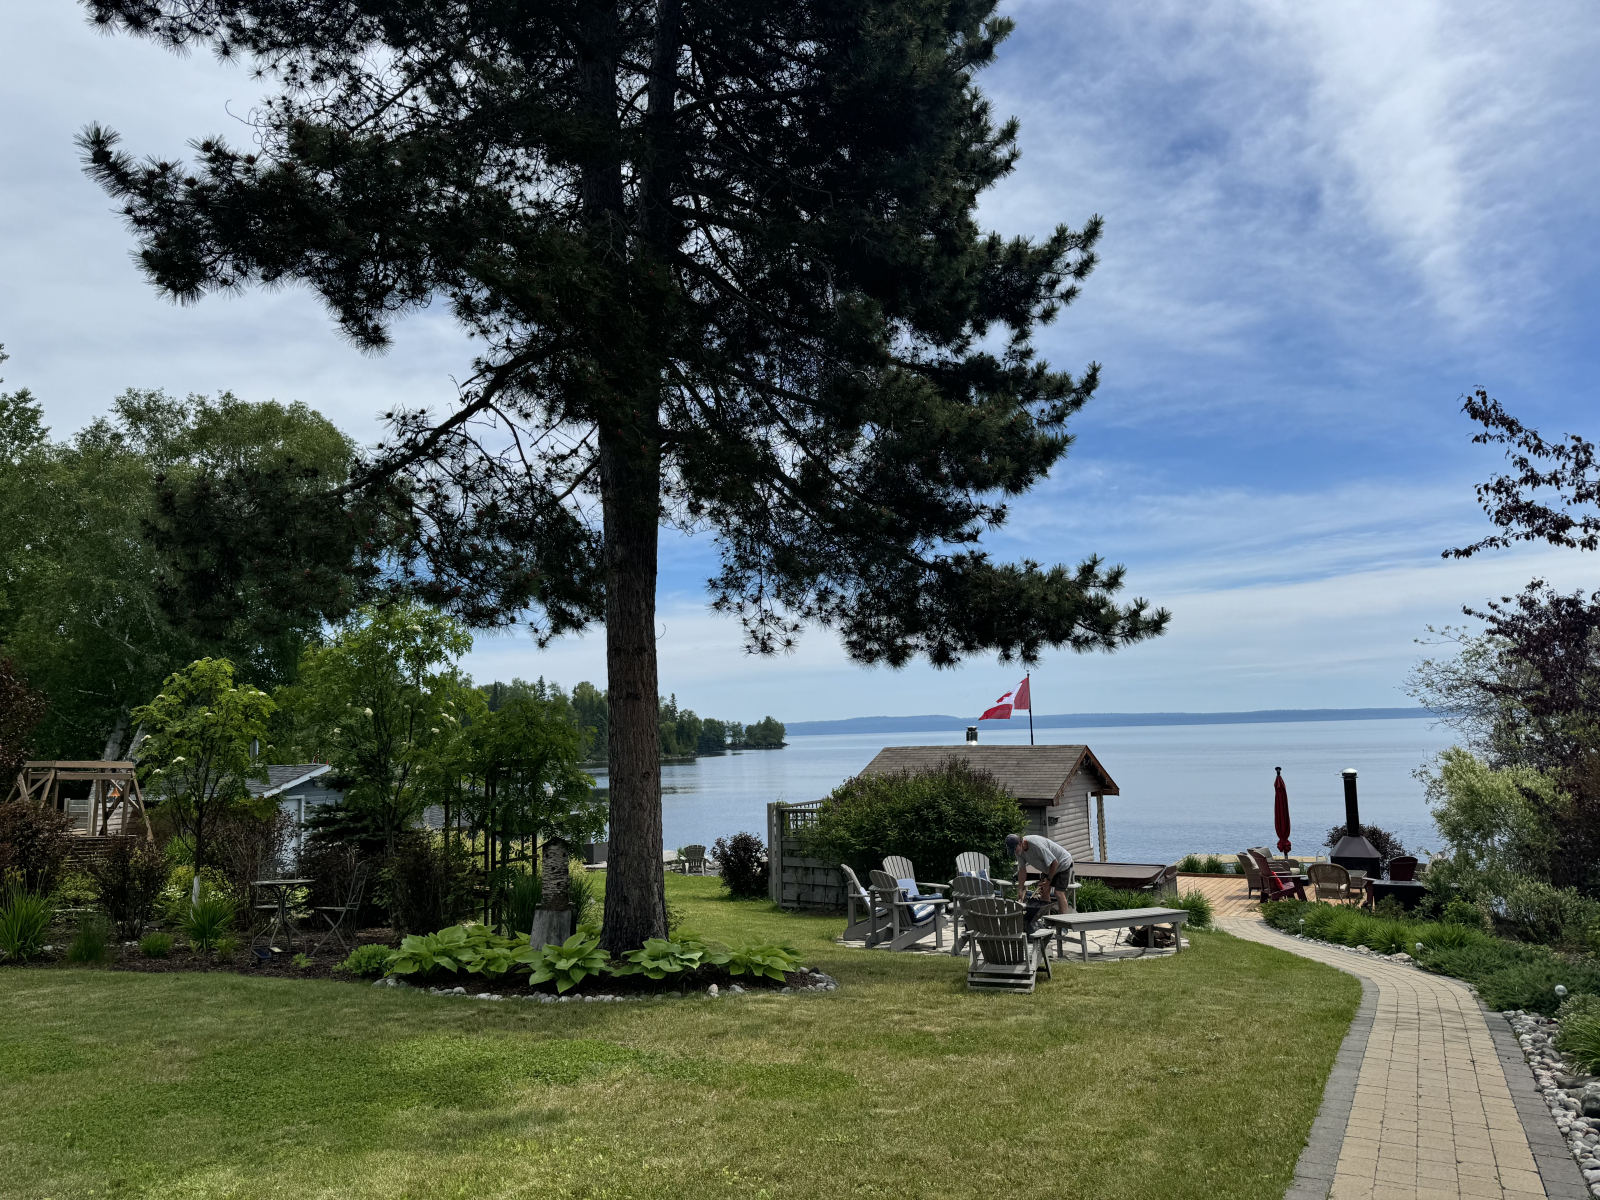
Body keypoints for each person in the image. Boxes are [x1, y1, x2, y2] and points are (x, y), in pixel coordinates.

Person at [1007, 832, 1075, 914]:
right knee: (1043, 892)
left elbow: (1055, 863)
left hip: (1062, 863)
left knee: (1058, 893)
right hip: (1048, 866)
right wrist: (1020, 890)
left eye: (1014, 849)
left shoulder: (1036, 845)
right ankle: (1047, 921)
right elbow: (1022, 869)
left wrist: (1048, 881)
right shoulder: (1019, 852)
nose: (1015, 852)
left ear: (1020, 843)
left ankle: (1064, 922)